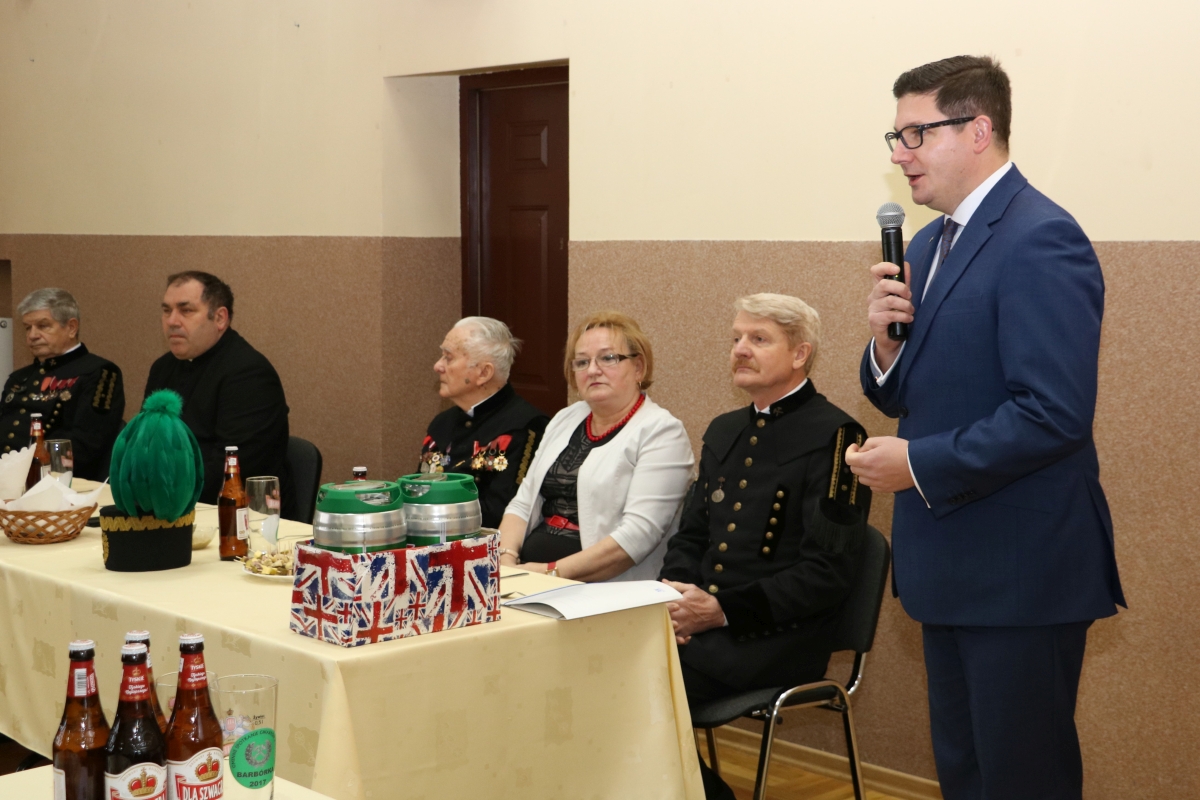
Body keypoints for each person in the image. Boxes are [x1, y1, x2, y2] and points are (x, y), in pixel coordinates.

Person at [847, 56, 1124, 800]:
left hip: (1020, 570)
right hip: (949, 565)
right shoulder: (930, 244)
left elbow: (1054, 413)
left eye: (916, 133)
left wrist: (917, 464)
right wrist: (884, 348)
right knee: (966, 775)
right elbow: (911, 393)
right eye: (895, 136)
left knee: (1021, 779)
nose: (900, 154)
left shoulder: (1040, 236)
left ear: (978, 129)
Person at [658, 294, 870, 800]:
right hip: (699, 627)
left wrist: (721, 611)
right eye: (736, 338)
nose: (740, 349)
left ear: (800, 353)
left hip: (777, 636)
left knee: (634, 686)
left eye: (758, 339)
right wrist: (675, 599)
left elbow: (828, 573)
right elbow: (691, 535)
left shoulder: (837, 435)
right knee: (603, 666)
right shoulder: (725, 430)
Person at [498, 312, 693, 582]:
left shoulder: (661, 432)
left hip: (606, 588)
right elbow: (523, 503)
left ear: (638, 367)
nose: (592, 370)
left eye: (608, 358)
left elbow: (636, 537)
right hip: (529, 577)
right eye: (582, 362)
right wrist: (506, 561)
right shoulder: (566, 418)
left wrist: (546, 573)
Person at [144, 271, 294, 515]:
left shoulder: (249, 373)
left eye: (186, 310)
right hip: (172, 505)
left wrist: (160, 494)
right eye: (166, 310)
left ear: (220, 318)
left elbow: (229, 469)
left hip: (238, 515)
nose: (172, 321)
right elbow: (146, 444)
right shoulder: (162, 368)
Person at [420, 317, 550, 528]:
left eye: (448, 358)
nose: (438, 366)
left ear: (483, 373)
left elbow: (502, 513)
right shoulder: (441, 424)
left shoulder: (525, 426)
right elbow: (419, 489)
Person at [0, 288, 125, 479]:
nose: (32, 335)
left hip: (62, 481)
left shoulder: (99, 372)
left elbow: (87, 443)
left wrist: (29, 469)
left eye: (43, 326)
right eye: (27, 328)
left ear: (71, 328)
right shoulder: (19, 378)